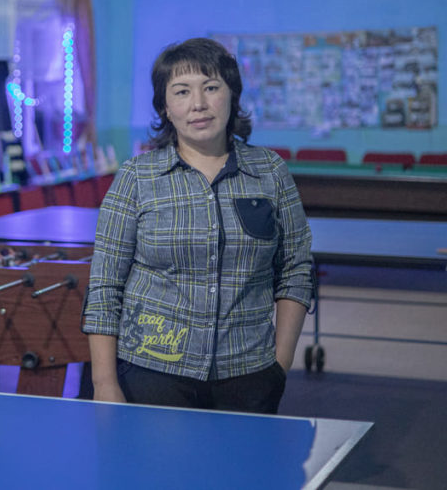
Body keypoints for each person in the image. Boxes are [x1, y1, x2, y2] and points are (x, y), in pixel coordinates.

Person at [82, 37, 313, 413]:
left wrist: (279, 365)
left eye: (211, 87)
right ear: (165, 107)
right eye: (182, 91)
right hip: (151, 371)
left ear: (232, 94)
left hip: (249, 373)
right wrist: (104, 383)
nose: (198, 104)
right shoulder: (136, 177)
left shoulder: (270, 172)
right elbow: (105, 286)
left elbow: (296, 269)